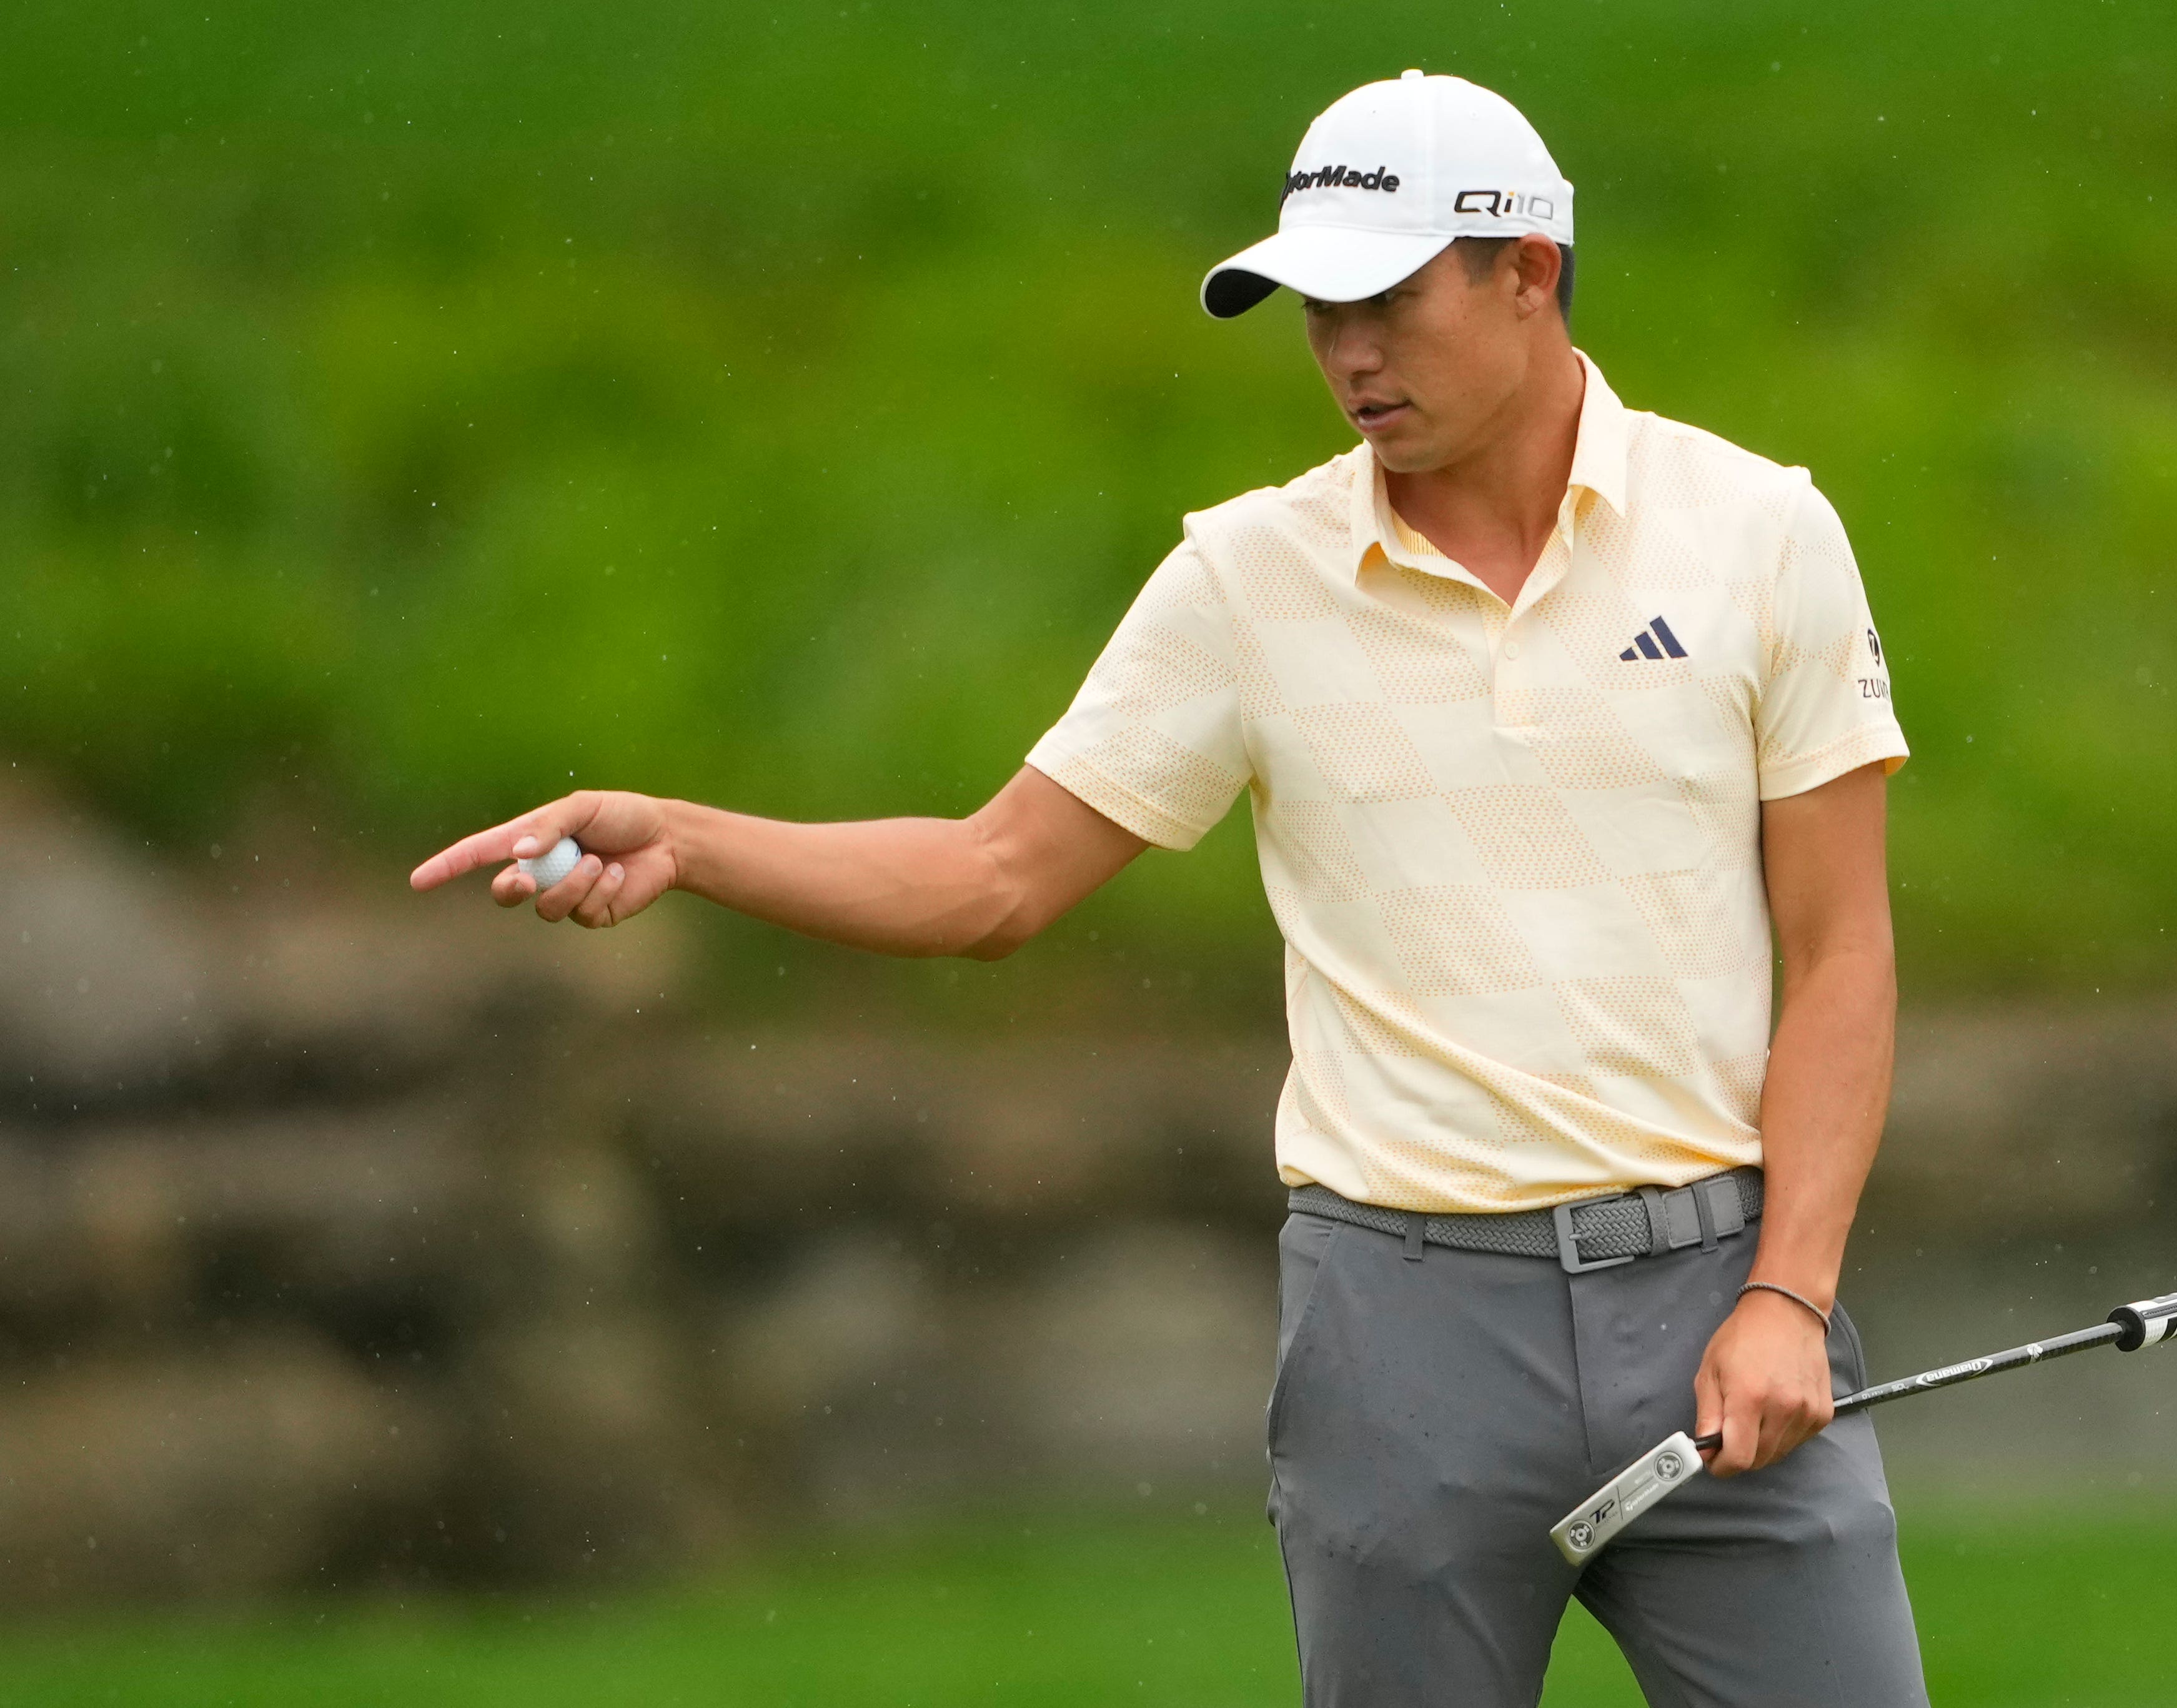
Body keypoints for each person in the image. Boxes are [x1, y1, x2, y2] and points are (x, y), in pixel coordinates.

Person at [411, 69, 1925, 1708]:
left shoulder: (1762, 536)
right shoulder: (1245, 581)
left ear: (1528, 271)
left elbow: (1840, 950)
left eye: (1388, 298)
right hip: (1403, 1334)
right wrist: (693, 840)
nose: (1346, 351)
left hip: (1720, 1305)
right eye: (1312, 307)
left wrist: (1787, 1291)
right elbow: (994, 875)